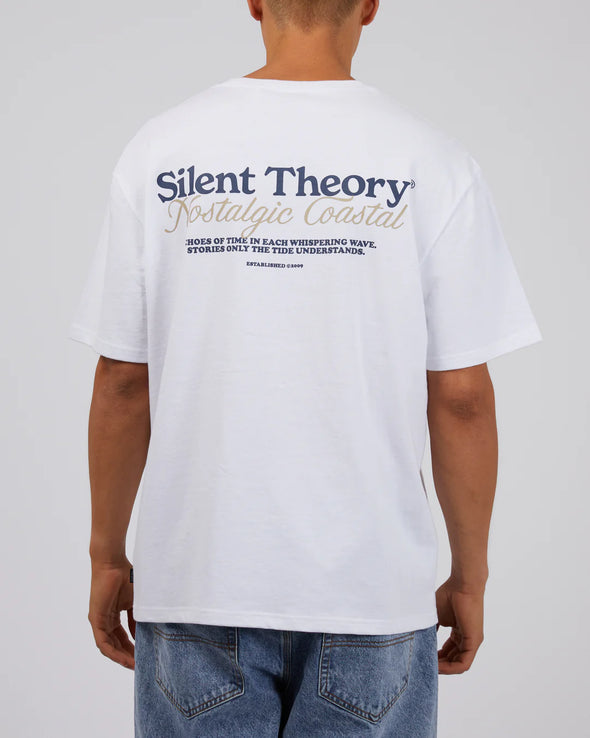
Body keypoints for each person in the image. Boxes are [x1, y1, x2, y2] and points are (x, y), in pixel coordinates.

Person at [66, 0, 543, 735]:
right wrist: (469, 576)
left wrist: (108, 555)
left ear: (255, 2)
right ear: (371, 6)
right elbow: (462, 399)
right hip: (373, 595)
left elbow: (124, 381)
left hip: (198, 585)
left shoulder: (161, 150)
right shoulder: (431, 160)